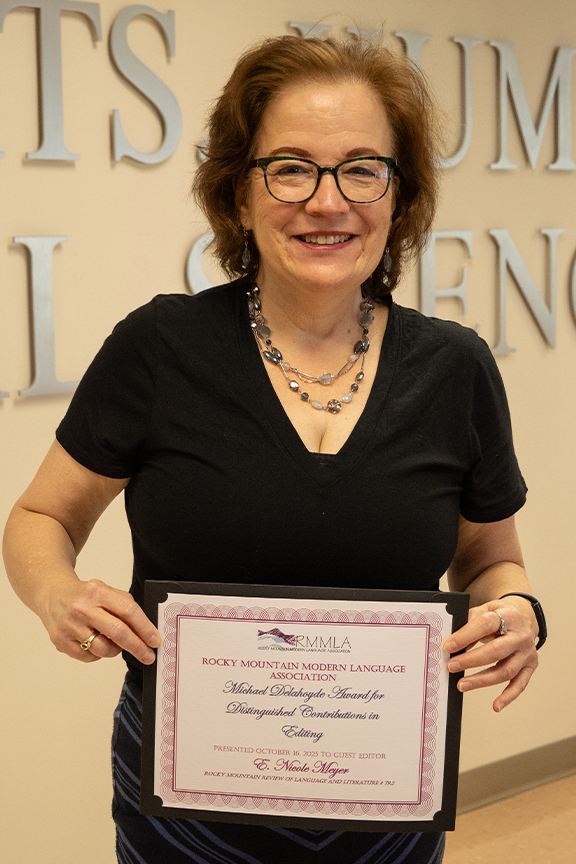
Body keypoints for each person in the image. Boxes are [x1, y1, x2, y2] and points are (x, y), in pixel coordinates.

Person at [2, 35, 544, 864]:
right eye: (290, 167)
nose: (328, 201)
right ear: (239, 194)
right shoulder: (161, 348)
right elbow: (41, 515)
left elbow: (492, 562)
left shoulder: (455, 368)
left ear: (399, 197)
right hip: (187, 818)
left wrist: (516, 615)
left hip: (385, 816)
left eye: (363, 168)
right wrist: (55, 594)